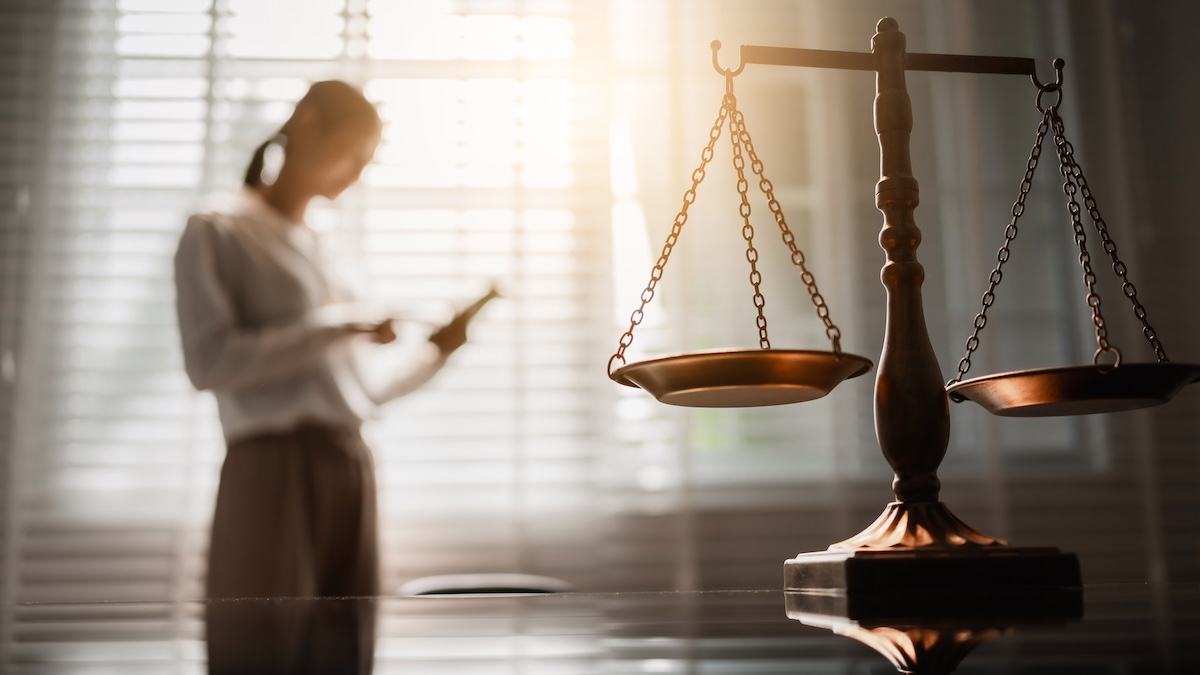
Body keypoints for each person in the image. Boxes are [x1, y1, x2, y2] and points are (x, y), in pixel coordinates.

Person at [173, 80, 474, 673]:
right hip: (269, 469)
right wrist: (338, 325)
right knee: (258, 651)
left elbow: (360, 392)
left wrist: (435, 355)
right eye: (352, 154)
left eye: (367, 164)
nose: (354, 174)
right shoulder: (217, 228)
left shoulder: (334, 251)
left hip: (350, 465)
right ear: (307, 123)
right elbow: (209, 363)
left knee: (346, 650)